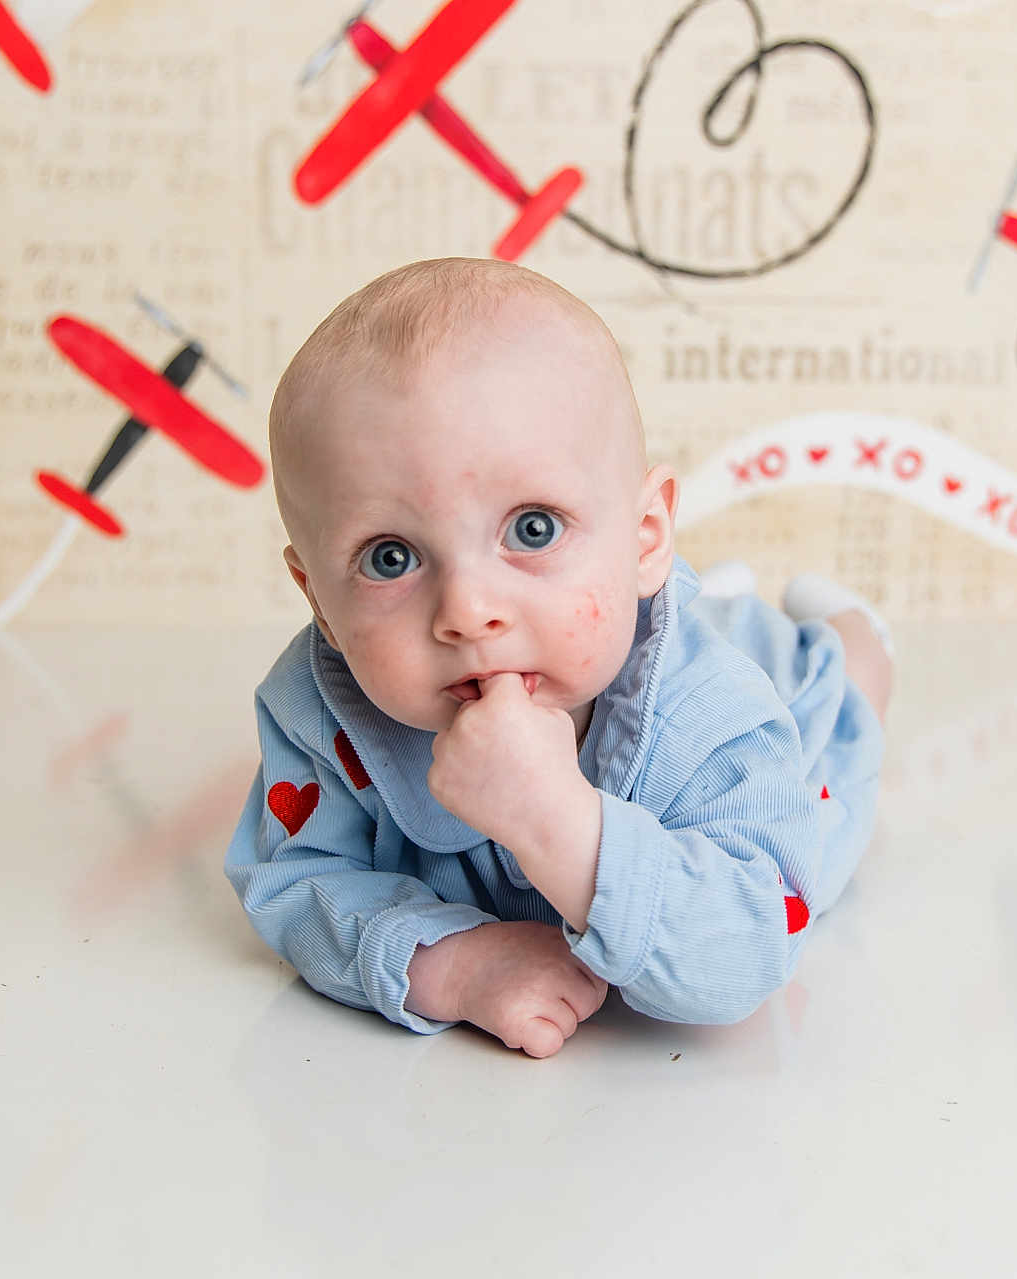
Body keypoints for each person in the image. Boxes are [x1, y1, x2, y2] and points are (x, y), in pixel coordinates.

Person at [224, 256, 893, 1059]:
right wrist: (450, 963)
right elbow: (295, 879)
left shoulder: (714, 709)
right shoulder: (317, 712)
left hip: (775, 683)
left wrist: (557, 822)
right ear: (319, 602)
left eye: (532, 528)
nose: (467, 610)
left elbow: (745, 949)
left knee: (840, 707)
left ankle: (854, 637)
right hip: (613, 609)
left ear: (644, 538)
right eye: (390, 558)